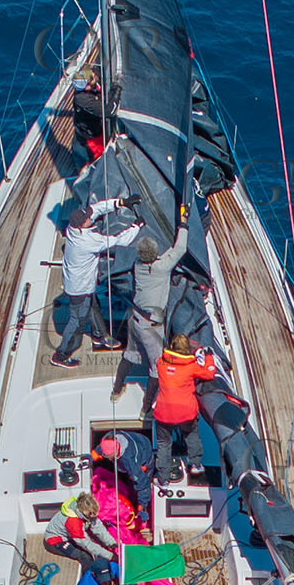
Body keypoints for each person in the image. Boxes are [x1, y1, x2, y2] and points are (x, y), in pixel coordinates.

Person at [51, 197, 145, 367]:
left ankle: (99, 336)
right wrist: (136, 227)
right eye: (88, 218)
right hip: (79, 288)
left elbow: (97, 208)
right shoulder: (87, 241)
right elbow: (119, 241)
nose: (91, 217)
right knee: (77, 321)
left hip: (81, 283)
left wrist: (121, 202)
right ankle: (60, 355)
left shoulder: (74, 228)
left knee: (94, 306)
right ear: (83, 224)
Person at [126, 205, 190, 411]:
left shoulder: (137, 264)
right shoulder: (161, 267)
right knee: (156, 369)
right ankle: (147, 407)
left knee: (130, 354)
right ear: (155, 254)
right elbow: (179, 249)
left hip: (134, 319)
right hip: (151, 326)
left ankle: (117, 387)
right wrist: (183, 223)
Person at [153, 333, 217, 484]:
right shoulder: (191, 367)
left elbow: (169, 362)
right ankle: (195, 464)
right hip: (185, 413)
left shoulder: (161, 363)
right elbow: (209, 372)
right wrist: (207, 356)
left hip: (164, 413)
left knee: (164, 445)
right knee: (191, 436)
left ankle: (163, 479)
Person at [97, 431, 155, 531]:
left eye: (109, 457)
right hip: (140, 440)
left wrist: (143, 507)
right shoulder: (110, 438)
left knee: (137, 485)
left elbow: (143, 484)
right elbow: (101, 448)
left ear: (115, 453)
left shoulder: (129, 461)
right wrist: (92, 456)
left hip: (144, 460)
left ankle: (140, 505)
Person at [44, 490, 116, 567]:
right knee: (85, 556)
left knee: (95, 543)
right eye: (91, 514)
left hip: (69, 534)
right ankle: (89, 575)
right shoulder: (73, 522)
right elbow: (86, 544)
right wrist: (110, 556)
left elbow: (98, 527)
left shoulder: (85, 509)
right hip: (55, 541)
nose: (94, 516)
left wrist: (111, 543)